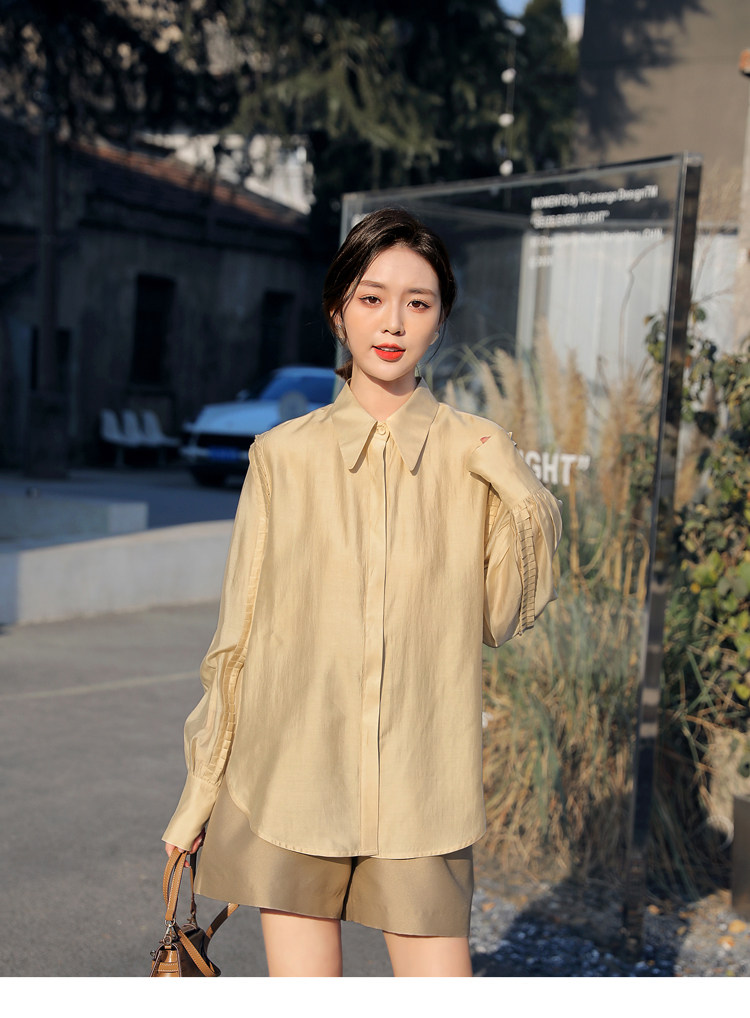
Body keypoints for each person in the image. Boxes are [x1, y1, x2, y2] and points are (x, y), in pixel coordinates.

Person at [163, 207, 562, 977]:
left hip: (422, 788)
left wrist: (515, 480)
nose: (393, 322)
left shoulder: (474, 451)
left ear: (440, 320)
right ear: (337, 309)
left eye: (418, 302)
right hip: (289, 781)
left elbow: (503, 617)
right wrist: (200, 791)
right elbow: (238, 638)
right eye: (372, 297)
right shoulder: (282, 456)